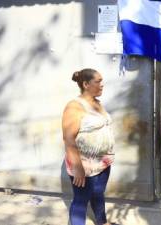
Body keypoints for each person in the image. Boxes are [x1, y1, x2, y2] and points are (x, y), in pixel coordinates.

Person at [62, 68, 117, 225]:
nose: (102, 85)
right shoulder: (74, 106)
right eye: (98, 81)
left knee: (98, 193)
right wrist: (78, 167)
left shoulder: (97, 103)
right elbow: (68, 138)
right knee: (81, 201)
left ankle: (102, 222)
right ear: (86, 84)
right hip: (84, 164)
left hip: (103, 161)